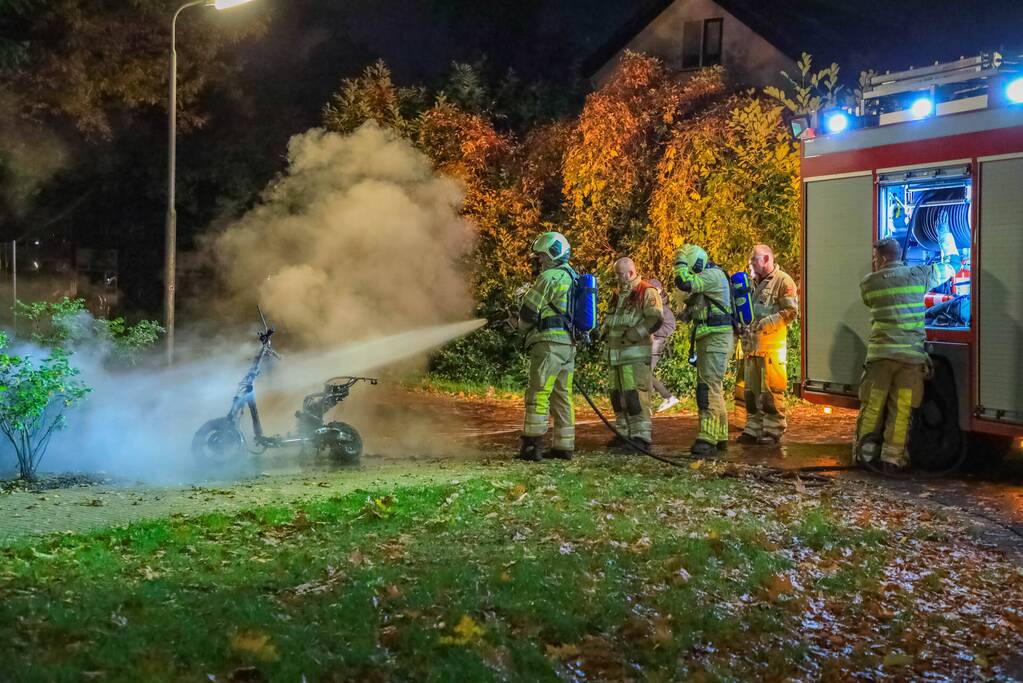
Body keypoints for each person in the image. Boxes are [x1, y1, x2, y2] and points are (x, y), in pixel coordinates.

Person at [855, 219, 961, 473]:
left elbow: (870, 302)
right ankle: (892, 460)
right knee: (902, 408)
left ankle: (865, 456)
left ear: (880, 259)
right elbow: (953, 265)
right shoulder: (918, 275)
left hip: (881, 358)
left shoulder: (869, 283)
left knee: (873, 406)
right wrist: (945, 234)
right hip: (911, 359)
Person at [517, 231, 577, 462]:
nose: (540, 260)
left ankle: (532, 446)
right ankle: (564, 446)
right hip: (568, 346)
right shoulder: (573, 276)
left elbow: (529, 310)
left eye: (542, 255)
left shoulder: (550, 277)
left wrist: (520, 325)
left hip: (549, 344)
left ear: (553, 253)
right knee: (562, 395)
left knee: (539, 391)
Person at [673, 244, 734, 457]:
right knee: (713, 387)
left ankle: (707, 439)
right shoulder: (712, 277)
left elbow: (684, 282)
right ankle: (720, 437)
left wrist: (679, 263)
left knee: (707, 389)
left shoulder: (712, 275)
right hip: (711, 338)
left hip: (715, 339)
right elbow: (695, 305)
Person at [738, 245, 799, 445]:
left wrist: (766, 323)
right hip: (751, 347)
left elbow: (791, 312)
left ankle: (773, 430)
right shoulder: (752, 283)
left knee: (771, 392)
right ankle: (753, 428)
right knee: (751, 392)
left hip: (771, 348)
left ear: (765, 259)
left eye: (754, 260)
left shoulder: (783, 281)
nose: (751, 264)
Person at [602, 258, 664, 450]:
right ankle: (624, 434)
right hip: (616, 355)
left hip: (634, 355)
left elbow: (655, 318)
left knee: (635, 396)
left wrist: (633, 335)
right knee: (618, 397)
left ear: (630, 272)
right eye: (615, 274)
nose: (617, 278)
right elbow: (613, 320)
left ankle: (641, 437)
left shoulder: (646, 291)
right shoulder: (618, 294)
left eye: (619, 274)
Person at [648, 278, 680, 413]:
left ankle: (667, 397)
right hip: (648, 342)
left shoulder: (664, 309)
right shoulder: (652, 305)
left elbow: (670, 326)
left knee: (644, 372)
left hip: (656, 343)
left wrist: (653, 332)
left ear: (660, 290)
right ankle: (647, 404)